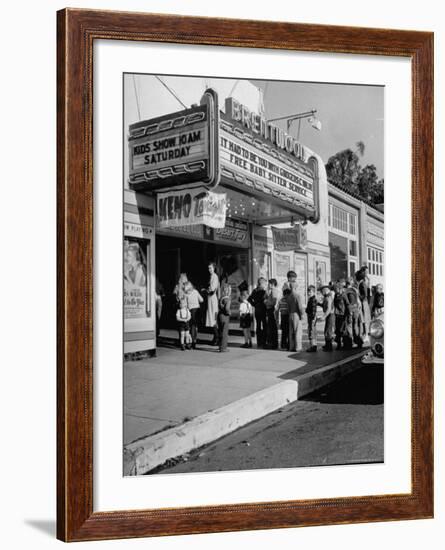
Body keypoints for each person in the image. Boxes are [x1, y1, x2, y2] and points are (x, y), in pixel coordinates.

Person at [287, 271, 304, 352]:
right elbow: (300, 307)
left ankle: (291, 346)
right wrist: (302, 315)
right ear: (296, 287)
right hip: (296, 314)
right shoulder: (297, 296)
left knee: (291, 332)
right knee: (297, 331)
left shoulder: (289, 296)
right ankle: (298, 347)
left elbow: (288, 306)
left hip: (290, 314)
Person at [248, 278, 268, 348]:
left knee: (258, 326)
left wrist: (254, 304)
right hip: (263, 309)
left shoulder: (255, 290)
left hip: (257, 310)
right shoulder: (263, 291)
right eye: (264, 283)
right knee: (264, 325)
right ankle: (264, 342)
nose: (265, 284)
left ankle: (259, 342)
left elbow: (249, 299)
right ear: (262, 283)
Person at [344, 276, 363, 348]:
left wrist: (349, 310)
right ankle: (359, 341)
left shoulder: (346, 291)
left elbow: (348, 302)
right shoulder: (355, 290)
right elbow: (358, 301)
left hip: (350, 309)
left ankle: (349, 342)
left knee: (349, 326)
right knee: (355, 325)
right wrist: (359, 308)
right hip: (356, 309)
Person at [185, 281, 203, 349]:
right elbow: (202, 300)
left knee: (189, 327)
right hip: (196, 311)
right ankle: (194, 341)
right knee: (195, 326)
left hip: (189, 310)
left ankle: (188, 342)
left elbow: (185, 304)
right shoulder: (195, 291)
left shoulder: (186, 294)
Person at [205, 262, 220, 346]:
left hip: (213, 299)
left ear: (214, 268)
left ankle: (217, 338)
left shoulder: (215, 276)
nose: (209, 270)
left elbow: (212, 289)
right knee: (211, 318)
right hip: (210, 299)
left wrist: (206, 290)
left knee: (214, 319)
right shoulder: (211, 276)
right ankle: (215, 337)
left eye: (210, 268)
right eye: (208, 268)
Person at [357, 267, 371, 344]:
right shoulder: (362, 282)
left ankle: (366, 336)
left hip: (363, 302)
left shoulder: (362, 283)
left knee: (365, 319)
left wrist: (359, 297)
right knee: (363, 319)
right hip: (363, 302)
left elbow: (365, 294)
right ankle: (365, 335)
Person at [333, 282, 349, 350]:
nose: (335, 291)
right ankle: (339, 344)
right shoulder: (336, 296)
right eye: (334, 290)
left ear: (340, 289)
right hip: (337, 314)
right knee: (337, 330)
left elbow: (347, 305)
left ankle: (346, 344)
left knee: (343, 330)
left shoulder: (344, 295)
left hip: (343, 315)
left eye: (336, 289)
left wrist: (348, 315)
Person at [264, 278, 279, 349]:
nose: (268, 285)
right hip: (270, 310)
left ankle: (272, 344)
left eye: (270, 283)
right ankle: (272, 343)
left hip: (271, 310)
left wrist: (266, 302)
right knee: (271, 327)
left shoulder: (274, 291)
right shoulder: (270, 291)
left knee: (271, 327)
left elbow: (274, 302)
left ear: (273, 284)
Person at [217, 284, 232, 352]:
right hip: (225, 316)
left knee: (220, 331)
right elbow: (227, 308)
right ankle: (223, 348)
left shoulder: (221, 298)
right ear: (229, 291)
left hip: (220, 315)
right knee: (225, 332)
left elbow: (220, 307)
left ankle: (220, 346)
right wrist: (229, 312)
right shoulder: (228, 299)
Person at [321, 285, 335, 351]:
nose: (322, 292)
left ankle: (329, 347)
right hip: (329, 315)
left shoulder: (328, 297)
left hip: (330, 315)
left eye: (323, 291)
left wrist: (324, 316)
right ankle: (327, 345)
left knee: (328, 331)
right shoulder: (327, 297)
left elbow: (329, 309)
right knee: (327, 330)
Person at [278, 284, 291, 350]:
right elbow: (289, 309)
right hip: (287, 316)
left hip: (282, 316)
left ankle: (283, 344)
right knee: (288, 331)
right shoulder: (288, 300)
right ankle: (288, 344)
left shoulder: (281, 300)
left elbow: (279, 309)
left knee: (284, 332)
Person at [306, 285, 318, 352]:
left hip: (311, 318)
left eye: (310, 291)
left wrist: (313, 318)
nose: (308, 293)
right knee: (312, 331)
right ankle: (313, 345)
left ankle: (313, 346)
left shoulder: (312, 300)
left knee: (311, 331)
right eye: (308, 291)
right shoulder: (311, 299)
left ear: (313, 292)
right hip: (311, 317)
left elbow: (313, 309)